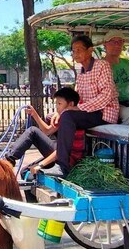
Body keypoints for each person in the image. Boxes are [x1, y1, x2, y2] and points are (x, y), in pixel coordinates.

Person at [51, 35, 119, 175]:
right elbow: (77, 97)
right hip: (89, 113)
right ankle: (57, 158)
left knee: (68, 117)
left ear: (90, 50)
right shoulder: (81, 72)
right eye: (73, 51)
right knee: (53, 117)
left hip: (104, 114)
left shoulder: (102, 65)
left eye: (79, 50)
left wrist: (77, 108)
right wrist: (59, 112)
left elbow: (106, 95)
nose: (75, 54)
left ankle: (62, 166)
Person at [5, 87, 83, 176]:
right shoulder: (63, 116)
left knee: (32, 131)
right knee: (25, 172)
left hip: (66, 160)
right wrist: (34, 114)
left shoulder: (71, 121)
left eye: (59, 104)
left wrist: (40, 165)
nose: (57, 107)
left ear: (71, 104)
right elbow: (47, 131)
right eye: (56, 104)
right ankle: (9, 160)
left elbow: (61, 151)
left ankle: (8, 161)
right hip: (58, 152)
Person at [103, 34, 129, 126]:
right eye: (113, 42)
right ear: (105, 44)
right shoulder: (100, 65)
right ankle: (125, 135)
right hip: (110, 104)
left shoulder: (126, 63)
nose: (117, 45)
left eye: (120, 42)